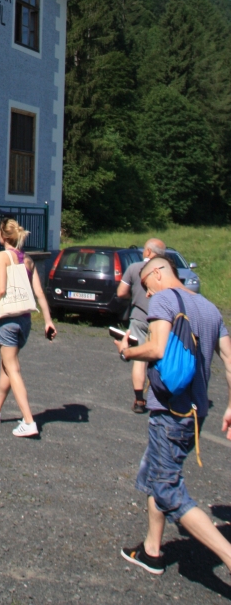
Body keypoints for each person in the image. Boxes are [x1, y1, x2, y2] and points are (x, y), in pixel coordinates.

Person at [116, 256, 231, 577]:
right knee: (156, 474)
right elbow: (230, 361)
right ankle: (152, 551)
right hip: (196, 412)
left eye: (145, 285)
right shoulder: (210, 308)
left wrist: (126, 351)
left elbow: (156, 349)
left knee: (167, 488)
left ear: (157, 273)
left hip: (170, 411)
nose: (147, 293)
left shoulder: (165, 298)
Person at [0, 218, 57, 437]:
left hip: (7, 318)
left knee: (12, 367)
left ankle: (29, 420)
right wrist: (48, 320)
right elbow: (40, 293)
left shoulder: (2, 256)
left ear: (3, 237)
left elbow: (1, 288)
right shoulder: (29, 260)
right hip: (25, 320)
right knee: (7, 364)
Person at [117, 237, 167, 413]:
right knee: (159, 357)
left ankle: (139, 400)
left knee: (140, 359)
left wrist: (135, 296)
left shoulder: (134, 268)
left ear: (147, 252)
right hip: (161, 320)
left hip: (139, 317)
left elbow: (121, 292)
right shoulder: (166, 271)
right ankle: (160, 397)